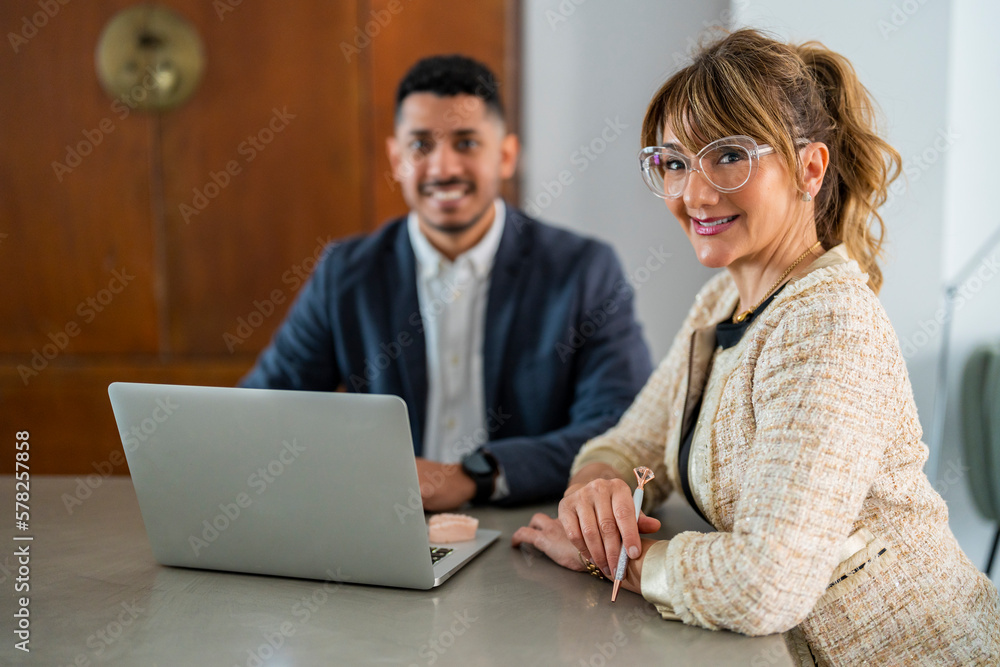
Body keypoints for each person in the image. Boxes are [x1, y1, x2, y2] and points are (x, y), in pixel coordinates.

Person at [512, 29, 1000, 665]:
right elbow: (631, 444)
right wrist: (595, 491)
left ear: (810, 168)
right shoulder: (722, 303)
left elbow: (765, 584)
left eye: (729, 156)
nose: (696, 193)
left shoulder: (829, 323)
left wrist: (616, 561)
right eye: (675, 161)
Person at [240, 55, 652, 510]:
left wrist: (476, 475)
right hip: (388, 523)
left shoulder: (584, 270)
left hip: (529, 524)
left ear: (507, 156)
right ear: (396, 158)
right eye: (420, 145)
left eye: (466, 142)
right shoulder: (346, 272)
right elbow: (267, 411)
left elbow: (622, 426)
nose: (442, 167)